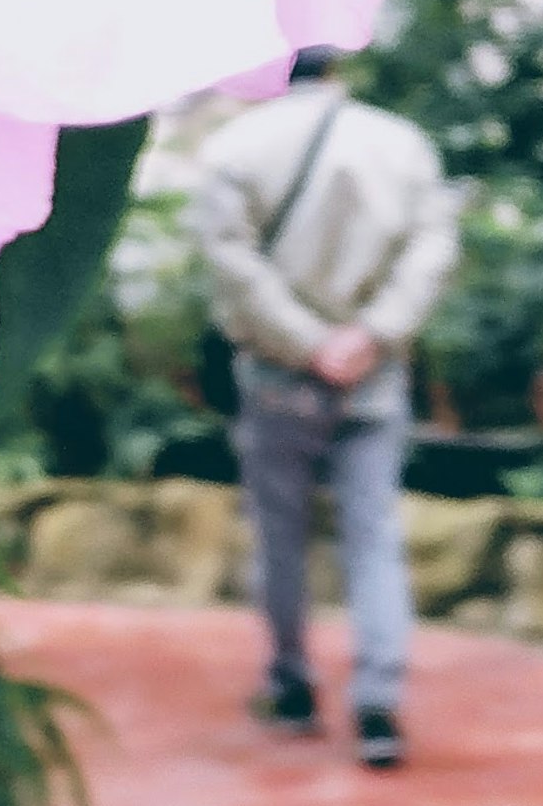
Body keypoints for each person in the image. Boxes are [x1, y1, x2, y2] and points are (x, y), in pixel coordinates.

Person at [189, 47, 458, 767]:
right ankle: (378, 703)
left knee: (281, 538)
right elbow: (431, 251)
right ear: (339, 64)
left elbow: (231, 263)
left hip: (278, 376)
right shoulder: (400, 143)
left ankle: (292, 683)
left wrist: (309, 343)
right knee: (373, 536)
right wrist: (369, 334)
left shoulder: (233, 148)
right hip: (373, 379)